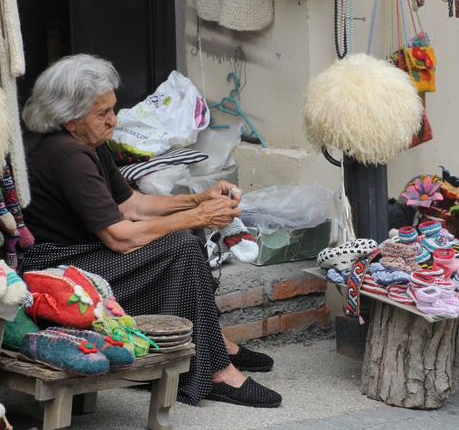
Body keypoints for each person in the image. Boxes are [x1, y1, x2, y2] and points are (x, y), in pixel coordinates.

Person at [20, 54, 281, 408]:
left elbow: (133, 205)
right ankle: (217, 369)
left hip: (82, 256)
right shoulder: (67, 156)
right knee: (182, 246)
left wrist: (197, 200)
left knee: (182, 239)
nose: (113, 120)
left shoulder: (89, 145)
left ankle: (212, 341)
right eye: (102, 114)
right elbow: (120, 236)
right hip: (60, 271)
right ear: (69, 119)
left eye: (113, 109)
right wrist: (198, 216)